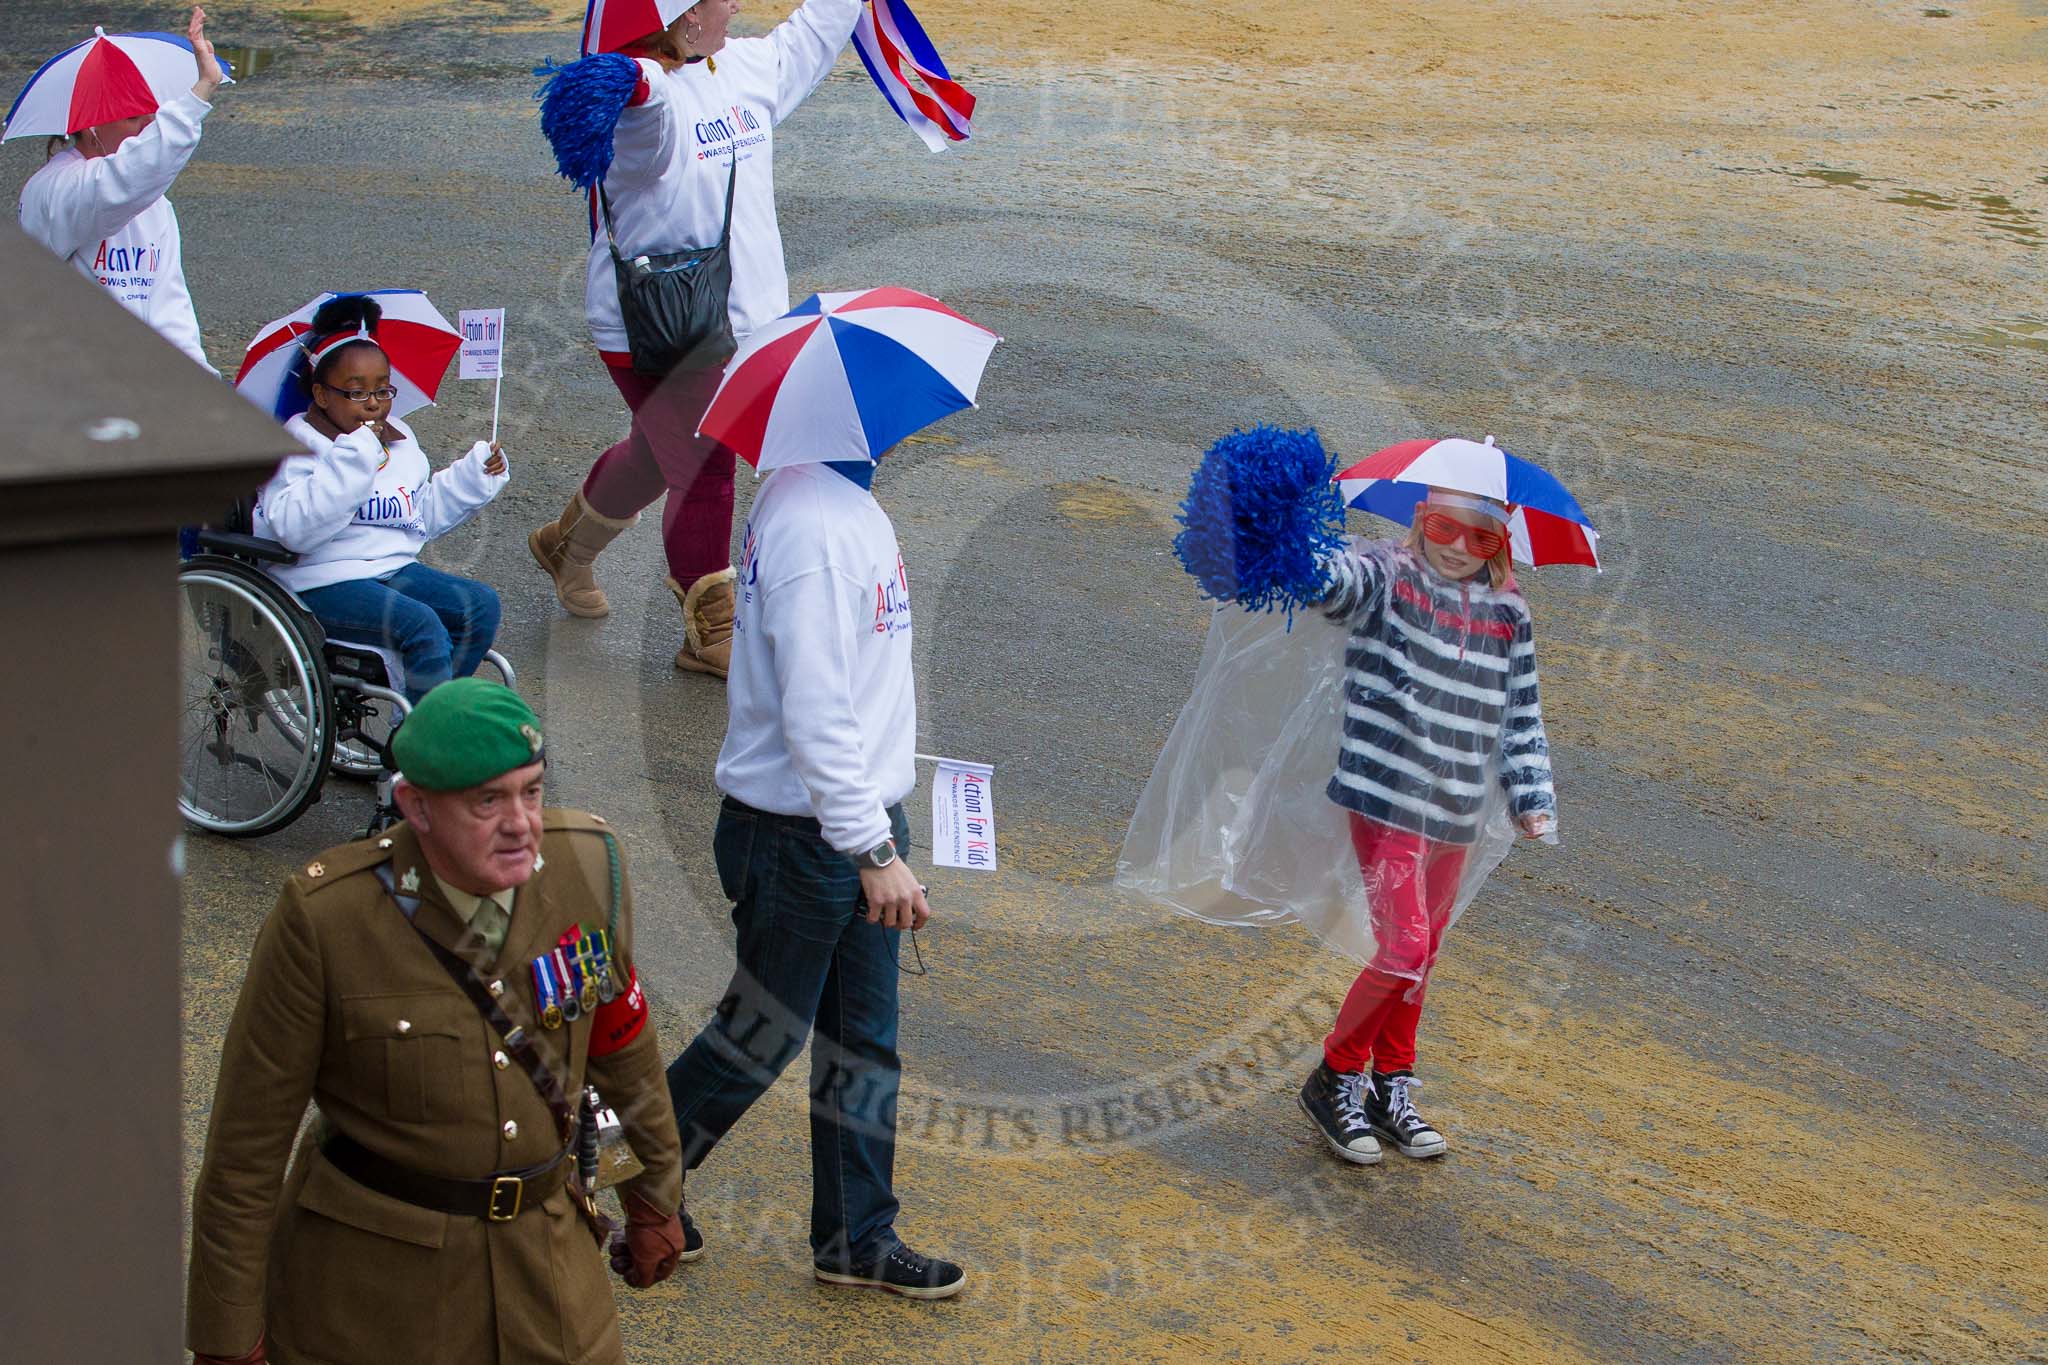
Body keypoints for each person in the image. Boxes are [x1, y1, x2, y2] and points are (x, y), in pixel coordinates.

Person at [186, 679, 693, 1365]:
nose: (522, 822)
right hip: (375, 1303)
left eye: (532, 790)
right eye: (488, 800)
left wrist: (652, 1194)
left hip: (550, 1284)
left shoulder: (588, 868)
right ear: (415, 806)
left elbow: (618, 1059)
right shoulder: (326, 919)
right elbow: (245, 1153)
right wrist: (227, 1338)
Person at [663, 452, 965, 1298]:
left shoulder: (829, 502)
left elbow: (854, 688)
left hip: (845, 817)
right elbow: (814, 704)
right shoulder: (817, 528)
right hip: (810, 833)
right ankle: (620, 1164)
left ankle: (856, 1234)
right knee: (758, 1036)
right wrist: (873, 849)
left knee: (861, 1041)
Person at [528, 0, 866, 678]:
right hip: (654, 322)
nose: (735, 4)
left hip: (740, 321)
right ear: (682, 18)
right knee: (704, 460)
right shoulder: (643, 109)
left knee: (659, 457)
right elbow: (650, 116)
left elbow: (814, 33)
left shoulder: (743, 67)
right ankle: (711, 631)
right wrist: (632, 79)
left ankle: (567, 544)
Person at [1297, 489, 1558, 1164]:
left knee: (1425, 950)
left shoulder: (1509, 613)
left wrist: (1530, 792)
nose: (1458, 547)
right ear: (1421, 520)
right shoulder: (1388, 574)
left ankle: (1390, 1082)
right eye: (1446, 528)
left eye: (1481, 539)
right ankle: (1335, 1074)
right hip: (1386, 797)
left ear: (1500, 546)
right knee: (1404, 947)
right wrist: (1300, 546)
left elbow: (1519, 711)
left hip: (1457, 810)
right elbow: (1336, 589)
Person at [253, 295, 508, 703]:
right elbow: (295, 532)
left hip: (391, 567)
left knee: (479, 606)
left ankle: (423, 722)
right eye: (356, 392)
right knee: (422, 624)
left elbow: (418, 515)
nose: (374, 403)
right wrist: (354, 459)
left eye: (383, 389)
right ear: (321, 395)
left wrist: (473, 476)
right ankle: (423, 745)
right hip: (320, 578)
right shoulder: (296, 445)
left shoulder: (399, 441)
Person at [16, 7, 224, 372]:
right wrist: (198, 94)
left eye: (151, 114)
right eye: (132, 117)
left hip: (145, 385)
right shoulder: (54, 190)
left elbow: (169, 306)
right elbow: (121, 180)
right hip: (79, 384)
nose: (148, 125)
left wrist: (201, 383)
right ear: (89, 127)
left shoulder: (153, 202)